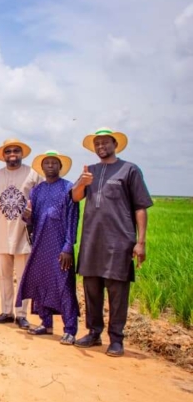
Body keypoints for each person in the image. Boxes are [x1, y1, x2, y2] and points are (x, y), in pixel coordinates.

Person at [72, 128, 152, 357]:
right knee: (92, 290)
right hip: (92, 240)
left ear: (115, 144)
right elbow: (76, 197)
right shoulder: (90, 171)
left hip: (119, 242)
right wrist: (82, 183)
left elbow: (140, 207)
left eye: (105, 142)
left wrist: (141, 242)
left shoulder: (129, 170)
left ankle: (116, 339)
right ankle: (94, 333)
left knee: (118, 292)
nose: (101, 147)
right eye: (97, 143)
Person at [15, 150, 80, 344]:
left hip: (60, 244)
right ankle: (46, 323)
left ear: (60, 167)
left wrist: (68, 246)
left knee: (64, 286)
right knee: (41, 283)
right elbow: (31, 219)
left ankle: (70, 329)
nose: (50, 166)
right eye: (47, 163)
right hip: (40, 244)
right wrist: (25, 214)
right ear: (42, 168)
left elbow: (73, 218)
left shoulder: (68, 188)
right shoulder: (37, 190)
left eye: (54, 163)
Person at [0, 138, 43, 329]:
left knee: (23, 275)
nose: (12, 154)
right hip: (1, 231)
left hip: (22, 232)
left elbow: (42, 196)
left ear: (22, 153)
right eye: (9, 152)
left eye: (16, 151)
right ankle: (7, 311)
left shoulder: (32, 174)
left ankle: (21, 314)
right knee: (4, 275)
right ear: (3, 155)